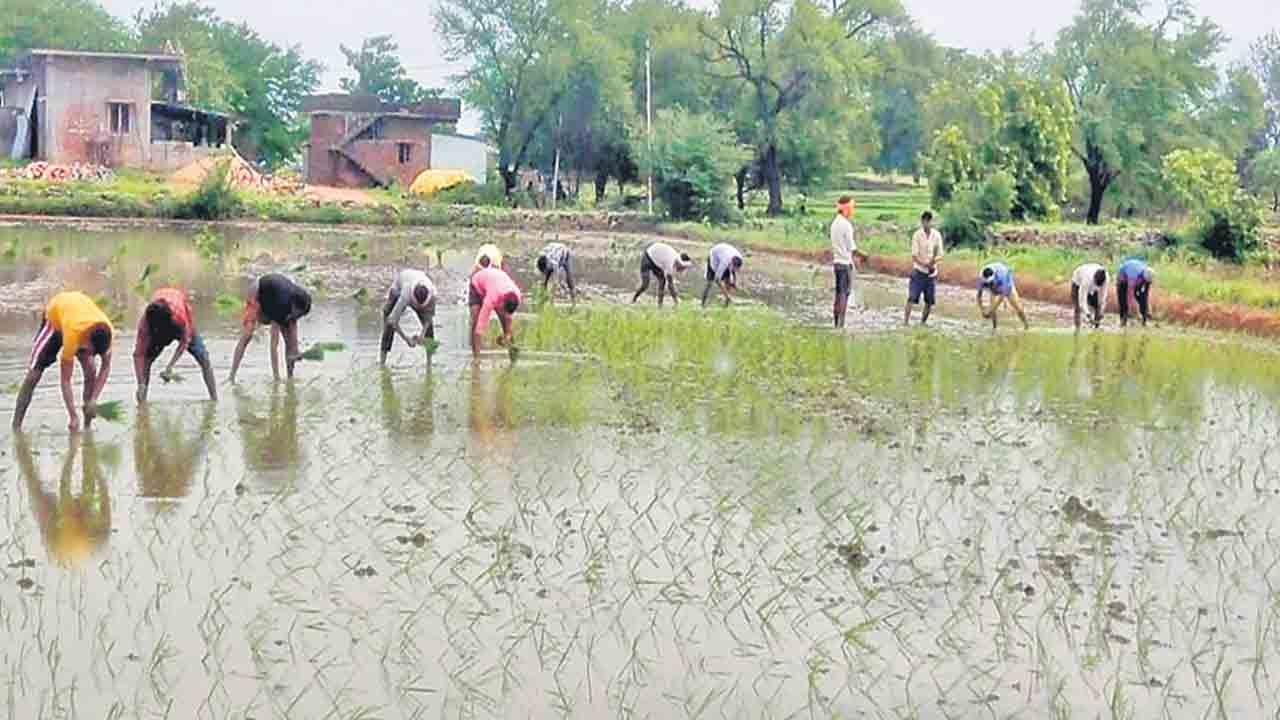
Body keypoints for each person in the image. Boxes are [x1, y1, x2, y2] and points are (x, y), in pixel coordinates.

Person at [12, 291, 114, 432]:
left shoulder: (108, 334)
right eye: (87, 350)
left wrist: (94, 399)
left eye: (92, 352)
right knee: (34, 375)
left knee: (91, 369)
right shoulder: (73, 334)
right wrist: (72, 415)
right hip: (56, 319)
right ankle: (16, 427)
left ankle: (87, 425)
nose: (87, 354)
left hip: (80, 317)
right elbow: (66, 379)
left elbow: (106, 367)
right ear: (86, 339)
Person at [133, 287, 217, 402]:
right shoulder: (146, 324)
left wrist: (170, 366)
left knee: (203, 358)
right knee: (146, 362)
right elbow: (138, 355)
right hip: (159, 324)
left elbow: (185, 341)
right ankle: (142, 402)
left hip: (178, 318)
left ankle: (214, 398)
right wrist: (140, 383)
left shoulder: (179, 317)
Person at [229, 273, 312, 383]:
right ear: (294, 306)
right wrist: (276, 379)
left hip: (274, 294)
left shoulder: (299, 303)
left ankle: (290, 376)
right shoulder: (280, 304)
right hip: (258, 291)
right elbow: (274, 345)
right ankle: (232, 376)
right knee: (247, 334)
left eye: (301, 316)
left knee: (289, 341)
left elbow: (293, 335)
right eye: (298, 314)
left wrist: (295, 351)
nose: (298, 317)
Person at [380, 268, 437, 365]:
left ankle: (429, 364)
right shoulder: (405, 295)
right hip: (399, 287)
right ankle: (382, 362)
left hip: (418, 278)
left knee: (429, 329)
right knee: (388, 324)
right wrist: (406, 339)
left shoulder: (433, 295)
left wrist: (422, 335)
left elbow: (429, 318)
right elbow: (392, 320)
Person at [831, 196, 869, 329]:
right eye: (852, 208)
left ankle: (836, 323)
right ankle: (841, 325)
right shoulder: (846, 225)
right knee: (844, 295)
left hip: (836, 264)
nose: (853, 211)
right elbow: (852, 249)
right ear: (846, 209)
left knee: (838, 294)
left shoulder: (835, 223)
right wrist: (864, 256)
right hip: (845, 264)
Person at [469, 266, 522, 355]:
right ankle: (476, 358)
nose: (504, 313)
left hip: (496, 280)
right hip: (478, 283)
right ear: (501, 303)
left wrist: (506, 336)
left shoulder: (517, 296)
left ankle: (513, 356)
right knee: (475, 321)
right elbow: (480, 327)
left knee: (505, 322)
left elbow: (508, 317)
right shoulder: (491, 298)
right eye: (503, 310)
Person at [905, 211, 944, 326]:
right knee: (912, 298)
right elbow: (914, 256)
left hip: (931, 273)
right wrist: (925, 264)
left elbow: (940, 254)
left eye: (929, 221)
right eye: (925, 221)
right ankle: (906, 322)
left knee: (929, 301)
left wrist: (933, 262)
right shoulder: (917, 235)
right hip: (918, 271)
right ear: (922, 222)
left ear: (931, 222)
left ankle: (922, 323)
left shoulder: (936, 235)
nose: (926, 224)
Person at [632, 242, 693, 307]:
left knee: (662, 281)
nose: (682, 271)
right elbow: (670, 285)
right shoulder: (670, 262)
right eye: (682, 268)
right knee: (645, 284)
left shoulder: (674, 260)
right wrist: (676, 301)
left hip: (657, 261)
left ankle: (660, 305)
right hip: (647, 257)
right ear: (679, 264)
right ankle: (634, 299)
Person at [976, 262, 1029, 331]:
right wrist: (982, 309)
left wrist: (992, 309)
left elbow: (1002, 295)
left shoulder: (1002, 274)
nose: (989, 284)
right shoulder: (981, 278)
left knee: (1018, 307)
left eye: (990, 283)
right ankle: (994, 328)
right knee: (992, 307)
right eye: (987, 283)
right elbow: (979, 296)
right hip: (994, 288)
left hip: (1007, 285)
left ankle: (1026, 326)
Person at [702, 243, 745, 308]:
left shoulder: (740, 259)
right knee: (710, 282)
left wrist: (734, 283)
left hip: (724, 252)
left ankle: (726, 305)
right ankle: (703, 303)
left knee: (728, 281)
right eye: (733, 268)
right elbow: (717, 280)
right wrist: (726, 294)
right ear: (731, 263)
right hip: (714, 256)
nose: (734, 270)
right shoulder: (724, 262)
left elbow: (733, 271)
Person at [1070, 263, 1110, 331]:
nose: (1098, 287)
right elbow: (1082, 300)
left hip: (1091, 281)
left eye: (1099, 285)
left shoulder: (1106, 279)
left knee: (1097, 306)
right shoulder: (1086, 279)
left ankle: (1096, 328)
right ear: (1094, 279)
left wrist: (1101, 311)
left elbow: (1103, 298)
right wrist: (1088, 314)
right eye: (1097, 284)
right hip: (1077, 281)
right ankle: (1077, 328)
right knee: (1077, 307)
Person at [1116, 258, 1155, 327]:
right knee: (1123, 300)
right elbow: (1129, 295)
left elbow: (1146, 293)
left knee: (1143, 298)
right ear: (1142, 276)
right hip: (1123, 279)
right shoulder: (1133, 275)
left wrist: (1147, 307)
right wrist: (1135, 311)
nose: (1145, 282)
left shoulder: (1147, 273)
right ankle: (1123, 320)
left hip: (1137, 277)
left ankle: (1144, 319)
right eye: (1144, 280)